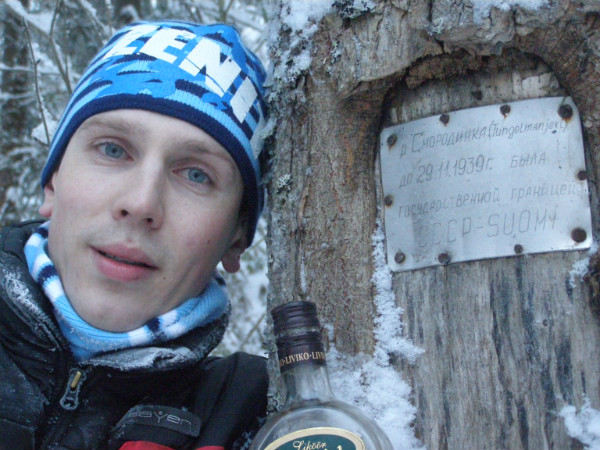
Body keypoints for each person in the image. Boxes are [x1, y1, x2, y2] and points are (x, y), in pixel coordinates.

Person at [0, 20, 269, 450]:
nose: (141, 203)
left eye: (196, 175)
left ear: (236, 238)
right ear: (52, 181)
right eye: (113, 149)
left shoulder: (259, 421)